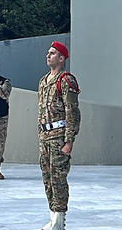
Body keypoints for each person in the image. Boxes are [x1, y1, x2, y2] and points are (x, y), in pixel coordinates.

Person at [37, 41, 80, 230]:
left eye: (53, 53)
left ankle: (60, 220)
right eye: (48, 53)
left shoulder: (66, 80)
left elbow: (72, 112)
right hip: (45, 137)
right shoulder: (43, 81)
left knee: (58, 178)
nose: (48, 55)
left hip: (58, 137)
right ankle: (52, 216)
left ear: (61, 58)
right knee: (47, 178)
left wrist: (69, 140)